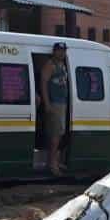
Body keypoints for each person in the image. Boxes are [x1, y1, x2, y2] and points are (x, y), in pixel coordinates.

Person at [41, 42, 69, 176]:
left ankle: (55, 162)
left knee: (60, 134)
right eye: (59, 51)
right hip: (55, 104)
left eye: (63, 51)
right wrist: (47, 103)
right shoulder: (50, 65)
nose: (62, 53)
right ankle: (52, 165)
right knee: (55, 135)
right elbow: (44, 83)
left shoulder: (63, 65)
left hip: (62, 103)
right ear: (54, 51)